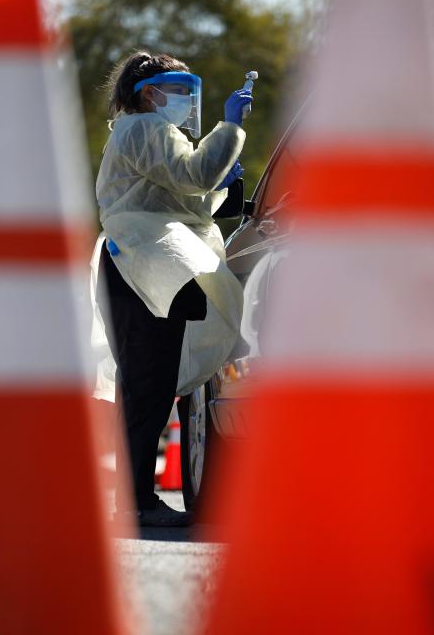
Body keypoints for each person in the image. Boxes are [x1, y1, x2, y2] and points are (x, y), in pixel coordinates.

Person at [95, 51, 251, 527]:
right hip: (150, 260)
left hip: (145, 257)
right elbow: (193, 177)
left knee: (147, 382)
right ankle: (138, 501)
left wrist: (222, 180)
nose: (186, 100)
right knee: (149, 383)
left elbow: (188, 196)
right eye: (179, 90)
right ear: (150, 93)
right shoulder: (145, 128)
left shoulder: (137, 132)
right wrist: (229, 128)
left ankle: (135, 496)